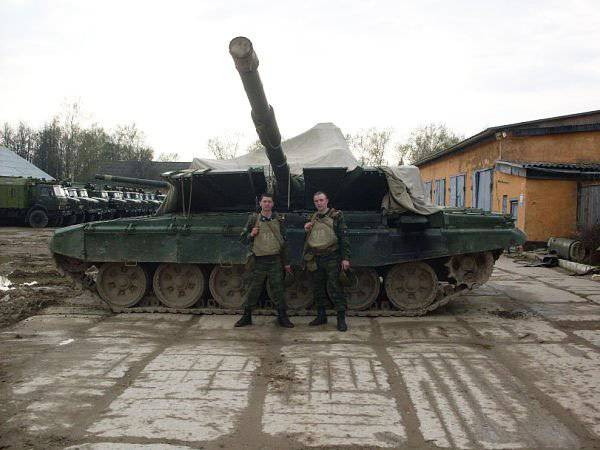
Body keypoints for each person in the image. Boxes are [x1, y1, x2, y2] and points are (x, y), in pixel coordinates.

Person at [235, 193, 294, 328]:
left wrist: (286, 263)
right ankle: (246, 316)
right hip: (259, 260)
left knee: (278, 289)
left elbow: (284, 242)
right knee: (253, 289)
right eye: (265, 201)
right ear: (260, 203)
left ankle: (282, 317)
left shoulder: (278, 219)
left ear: (273, 204)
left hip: (275, 260)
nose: (267, 204)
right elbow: (242, 239)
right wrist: (251, 234)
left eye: (269, 202)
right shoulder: (253, 219)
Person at [303, 191, 350, 332]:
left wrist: (345, 258)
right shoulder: (313, 217)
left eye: (321, 200)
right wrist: (307, 228)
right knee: (318, 288)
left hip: (332, 257)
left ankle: (341, 319)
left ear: (327, 201)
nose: (319, 203)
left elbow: (344, 237)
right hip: (317, 257)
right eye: (316, 201)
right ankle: (321, 316)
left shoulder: (336, 216)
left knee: (335, 287)